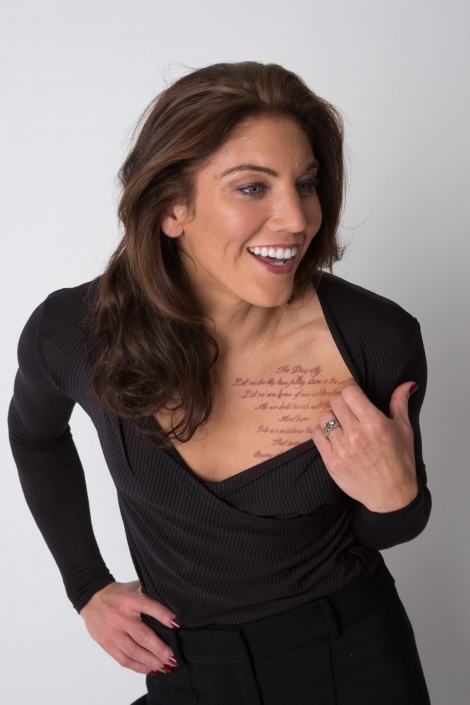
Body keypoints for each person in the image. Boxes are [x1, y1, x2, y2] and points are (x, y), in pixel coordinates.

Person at [8, 61, 432, 704]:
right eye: (253, 187)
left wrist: (398, 501)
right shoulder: (75, 332)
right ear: (171, 208)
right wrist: (86, 585)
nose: (297, 218)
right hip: (185, 673)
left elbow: (383, 529)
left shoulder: (375, 339)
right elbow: (34, 436)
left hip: (350, 661)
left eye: (306, 184)